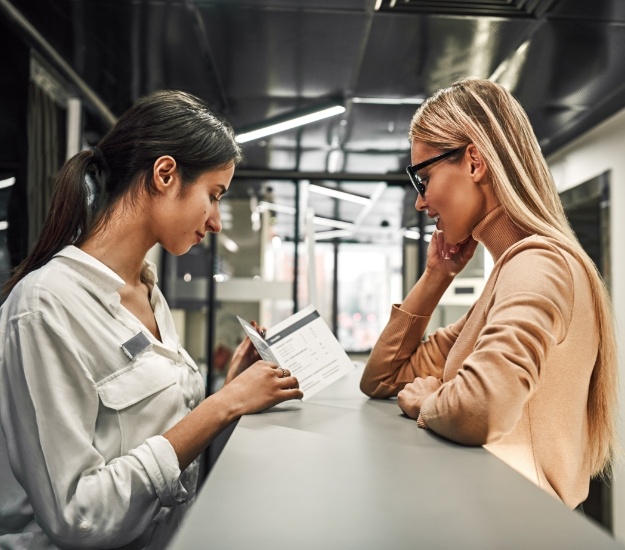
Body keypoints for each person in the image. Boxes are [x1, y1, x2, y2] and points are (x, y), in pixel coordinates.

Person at [0, 90, 303, 549]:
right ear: (165, 174)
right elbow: (76, 515)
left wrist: (230, 394)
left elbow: (156, 437)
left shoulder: (148, 291)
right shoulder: (44, 308)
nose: (217, 221)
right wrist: (221, 407)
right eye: (213, 195)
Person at [360, 78, 618, 510]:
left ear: (475, 162)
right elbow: (383, 378)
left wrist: (429, 400)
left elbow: (482, 408)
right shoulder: (509, 275)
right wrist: (436, 276)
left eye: (424, 179)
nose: (421, 203)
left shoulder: (539, 264)